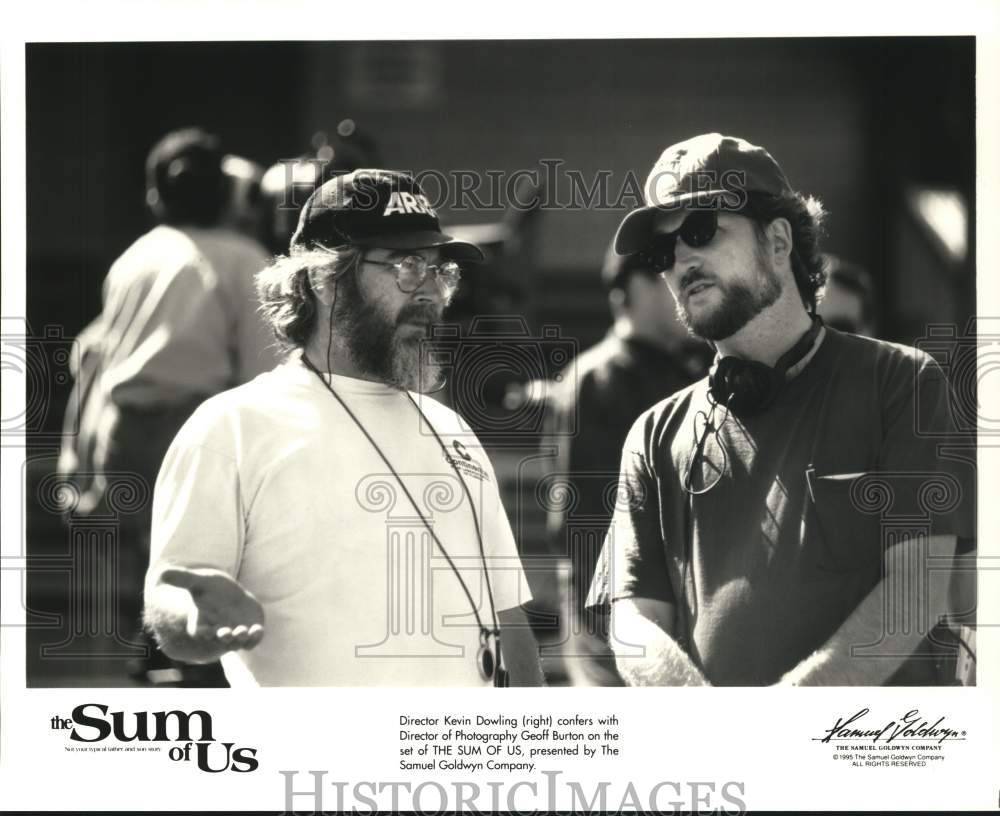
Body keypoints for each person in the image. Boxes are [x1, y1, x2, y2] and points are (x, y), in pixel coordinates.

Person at [587, 133, 974, 686]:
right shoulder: (652, 435)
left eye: (700, 230)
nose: (680, 262)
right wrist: (711, 725)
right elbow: (632, 624)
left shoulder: (902, 383)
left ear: (777, 240)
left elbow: (915, 594)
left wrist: (781, 724)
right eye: (662, 252)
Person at [143, 169, 544, 687]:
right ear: (323, 280)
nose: (430, 293)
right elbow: (172, 596)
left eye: (437, 270)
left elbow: (509, 620)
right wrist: (193, 621)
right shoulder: (232, 429)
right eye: (405, 266)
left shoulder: (452, 431)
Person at [57, 127, 283, 677]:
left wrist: (77, 452)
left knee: (148, 560)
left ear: (155, 195)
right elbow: (262, 368)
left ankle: (156, 653)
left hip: (123, 430)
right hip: (195, 429)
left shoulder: (134, 258)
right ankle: (191, 664)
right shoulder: (244, 258)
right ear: (227, 194)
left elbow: (95, 362)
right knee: (204, 555)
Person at [541, 246, 709, 685]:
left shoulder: (689, 370)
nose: (684, 291)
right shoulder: (595, 380)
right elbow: (583, 521)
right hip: (617, 622)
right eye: (668, 276)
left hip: (678, 614)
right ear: (637, 286)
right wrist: (612, 627)